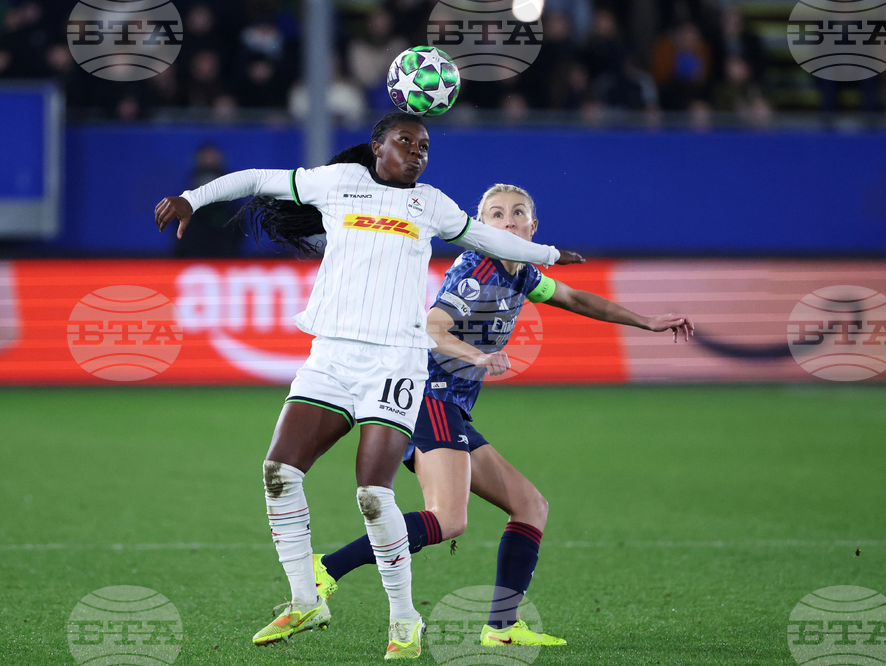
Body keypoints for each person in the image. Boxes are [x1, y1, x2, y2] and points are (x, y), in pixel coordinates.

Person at [153, 112, 584, 659]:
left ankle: (404, 622)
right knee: (277, 473)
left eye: (425, 144)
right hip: (330, 356)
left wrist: (548, 255)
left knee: (373, 496)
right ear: (378, 146)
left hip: (396, 363)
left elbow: (484, 235)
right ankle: (306, 599)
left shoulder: (431, 204)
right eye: (406, 141)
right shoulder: (338, 184)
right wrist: (193, 197)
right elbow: (259, 178)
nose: (418, 151)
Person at [311, 183, 694, 647]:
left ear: (534, 228)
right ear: (480, 228)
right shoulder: (478, 269)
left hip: (449, 404)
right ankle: (327, 568)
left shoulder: (523, 273)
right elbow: (431, 328)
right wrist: (474, 356)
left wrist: (648, 322)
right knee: (449, 519)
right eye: (495, 215)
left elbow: (575, 299)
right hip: (425, 395)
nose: (508, 221)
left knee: (530, 506)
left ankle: (502, 627)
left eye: (517, 214)